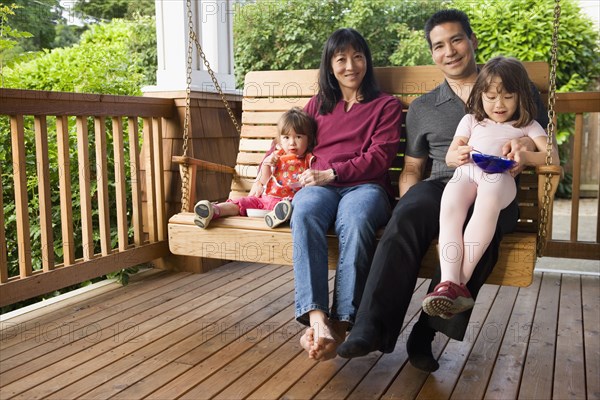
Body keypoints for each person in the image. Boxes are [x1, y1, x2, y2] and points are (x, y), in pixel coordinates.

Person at [337, 9, 550, 372]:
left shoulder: (512, 85)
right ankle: (370, 326)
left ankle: (425, 333)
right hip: (445, 182)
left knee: (485, 229)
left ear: (472, 42)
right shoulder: (422, 107)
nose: (449, 51)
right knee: (406, 215)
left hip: (498, 186)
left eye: (456, 40)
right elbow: (412, 169)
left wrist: (523, 156)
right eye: (439, 46)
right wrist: (408, 199)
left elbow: (541, 146)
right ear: (432, 53)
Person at [290, 28, 402, 361]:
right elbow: (286, 141)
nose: (350, 65)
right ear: (330, 64)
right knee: (305, 210)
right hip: (321, 189)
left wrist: (333, 172)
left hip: (366, 186)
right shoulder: (317, 105)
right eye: (341, 59)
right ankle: (316, 317)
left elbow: (380, 157)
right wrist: (268, 166)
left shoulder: (386, 106)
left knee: (355, 217)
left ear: (367, 61)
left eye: (357, 56)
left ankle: (341, 322)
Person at [422, 56, 559, 318]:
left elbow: (551, 155)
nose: (499, 104)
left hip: (500, 178)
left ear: (520, 97)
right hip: (468, 172)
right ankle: (449, 283)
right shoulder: (471, 121)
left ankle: (456, 284)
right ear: (480, 96)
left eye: (508, 97)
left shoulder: (528, 125)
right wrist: (459, 154)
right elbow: (452, 153)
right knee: (450, 207)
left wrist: (526, 157)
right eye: (491, 96)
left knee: (487, 203)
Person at [193, 107, 316, 229]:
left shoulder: (308, 160)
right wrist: (267, 164)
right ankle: (214, 210)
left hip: (286, 204)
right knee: (241, 203)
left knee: (290, 207)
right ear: (280, 139)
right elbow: (264, 180)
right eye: (286, 137)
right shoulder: (276, 156)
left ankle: (276, 217)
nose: (292, 143)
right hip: (264, 200)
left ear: (308, 139)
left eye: (298, 137)